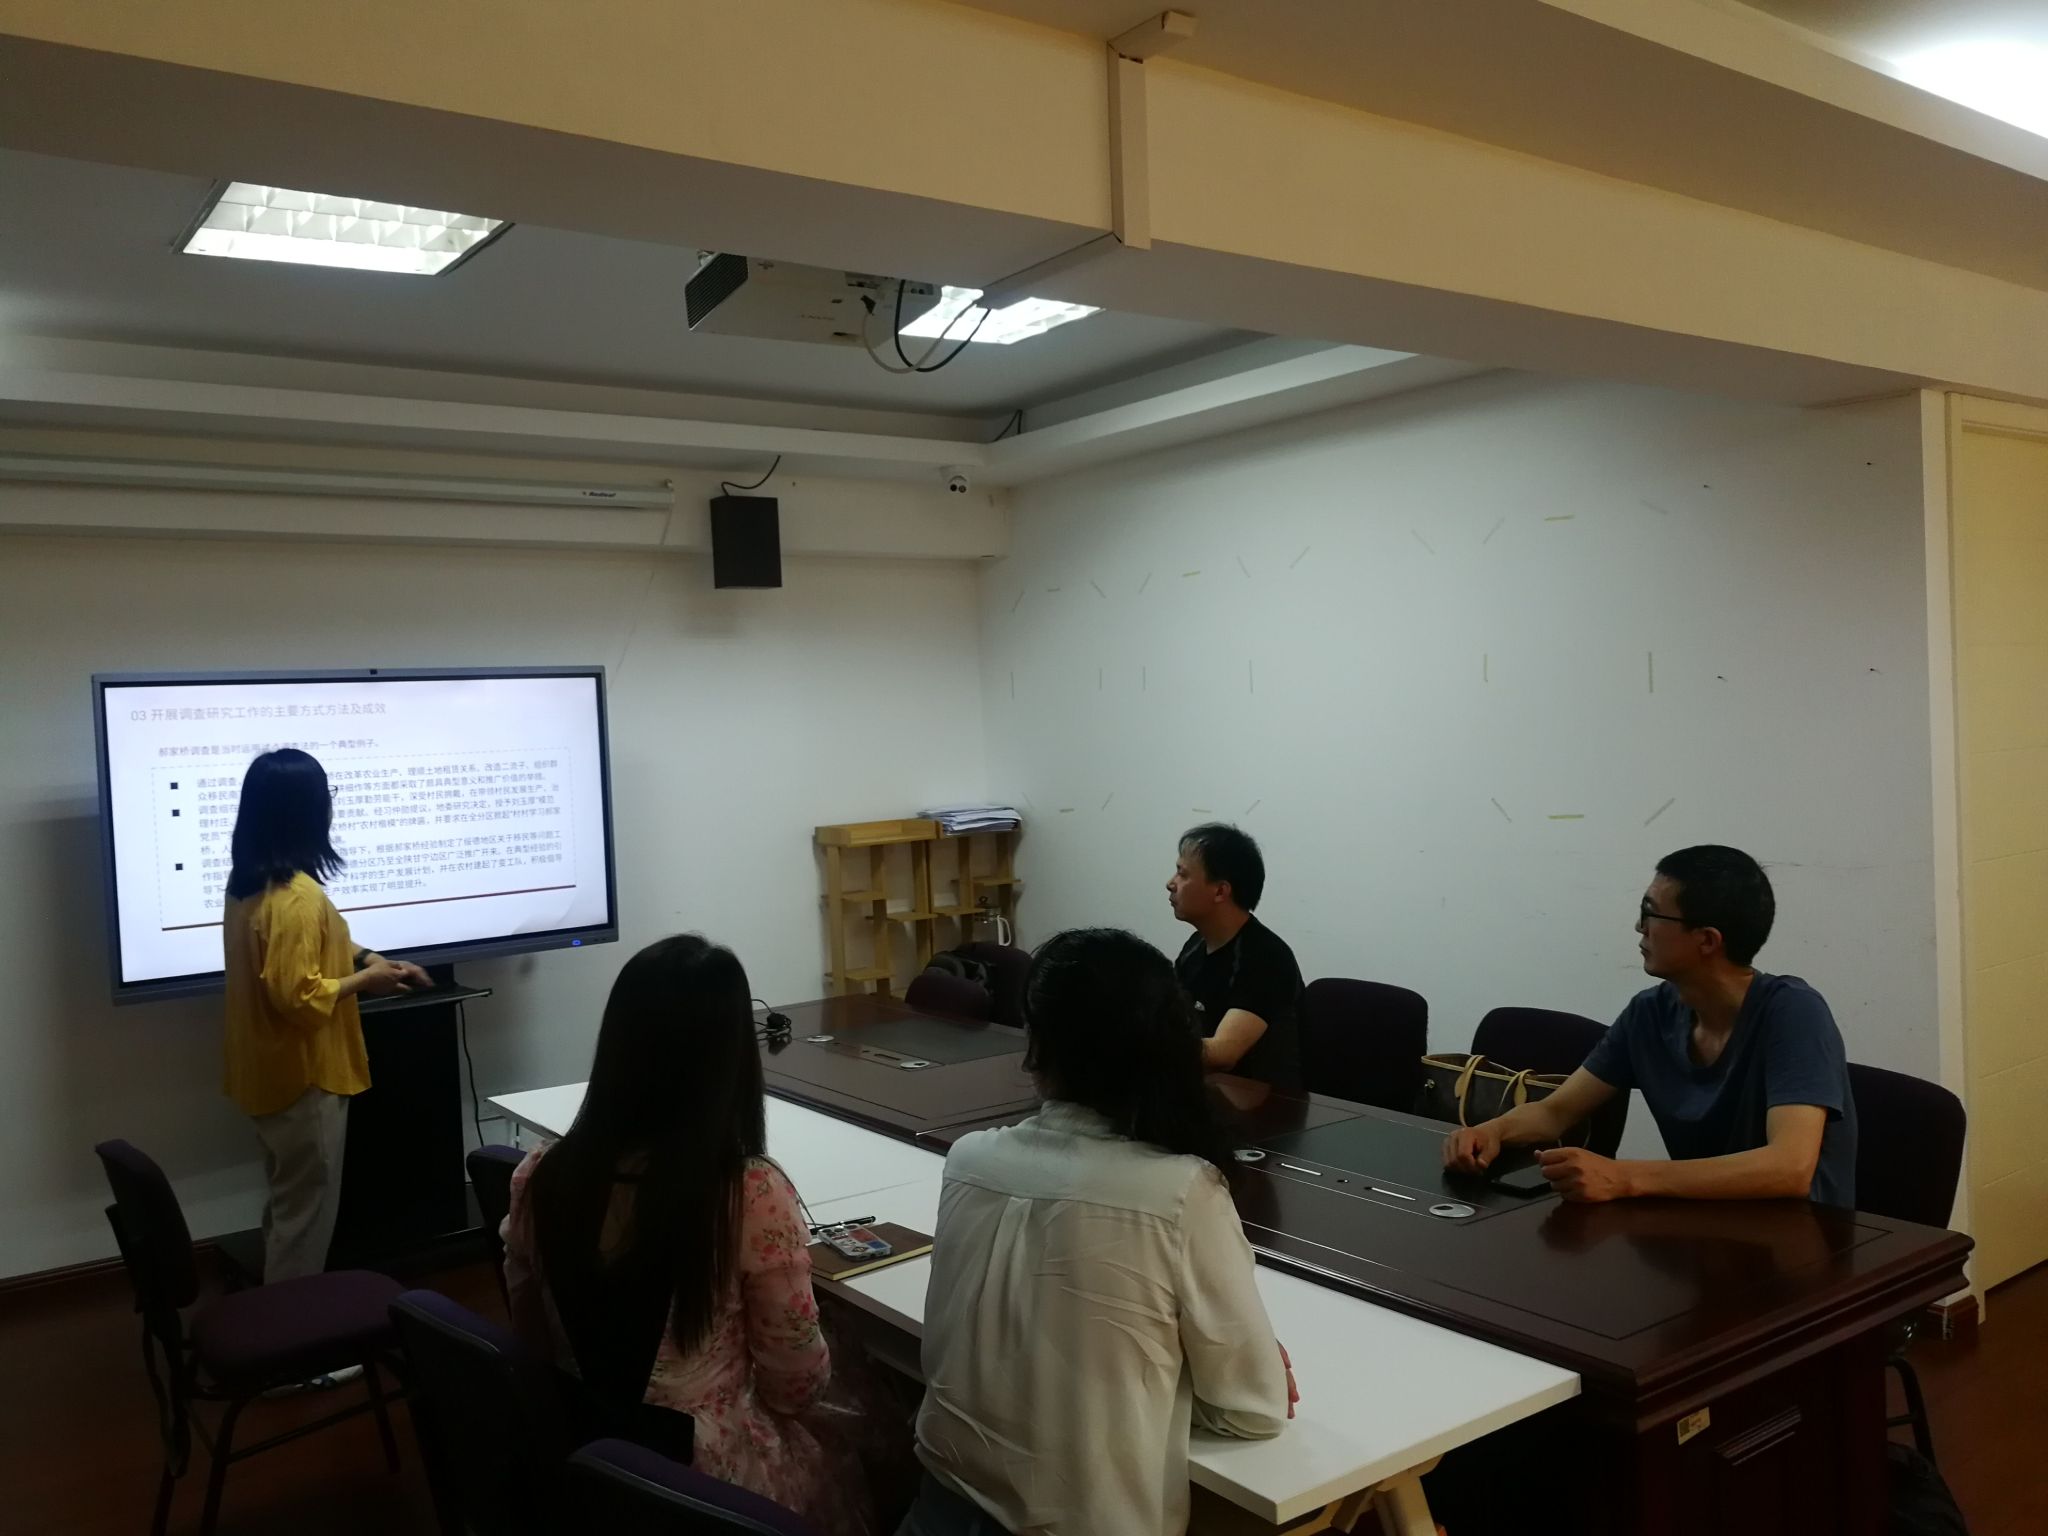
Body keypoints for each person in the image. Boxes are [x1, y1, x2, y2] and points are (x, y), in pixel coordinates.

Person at [901, 928, 1294, 1536]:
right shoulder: (1180, 1192)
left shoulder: (969, 1159)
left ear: (1037, 1046)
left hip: (935, 1512)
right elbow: (1254, 1409)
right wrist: (1170, 1371)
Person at [503, 935, 894, 1536]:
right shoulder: (749, 1195)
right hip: (706, 1485)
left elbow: (530, 1334)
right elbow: (794, 1387)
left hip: (586, 1454)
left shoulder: (539, 1175)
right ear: (730, 1059)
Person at [1444, 845, 1858, 1207]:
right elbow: (1556, 1112)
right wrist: (1492, 1131)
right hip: (1701, 1228)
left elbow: (1789, 1167)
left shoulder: (1793, 1012)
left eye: (1650, 913)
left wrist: (1624, 1177)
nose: (1639, 927)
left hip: (1801, 1242)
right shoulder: (1650, 1013)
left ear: (1707, 940)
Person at [223, 748, 428, 1283]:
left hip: (267, 1075)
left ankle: (275, 1317)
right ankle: (294, 1333)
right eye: (327, 795)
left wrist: (367, 957)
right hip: (304, 1078)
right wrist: (367, 981)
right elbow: (299, 996)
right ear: (306, 810)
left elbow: (313, 947)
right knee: (305, 1220)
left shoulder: (250, 885)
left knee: (288, 1207)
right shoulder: (297, 896)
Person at [1168, 823, 1305, 1090]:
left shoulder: (1267, 957)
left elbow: (1223, 1054)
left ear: (1221, 891)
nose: (1170, 884)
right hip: (1207, 1093)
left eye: (1182, 874)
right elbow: (1171, 1019)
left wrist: (1139, 1045)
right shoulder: (1195, 946)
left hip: (1267, 1106)